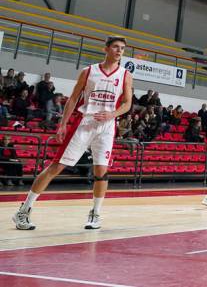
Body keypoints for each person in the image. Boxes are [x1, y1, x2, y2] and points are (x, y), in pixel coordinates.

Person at [12, 36, 133, 230]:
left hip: (107, 126)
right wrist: (63, 124)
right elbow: (73, 99)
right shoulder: (89, 71)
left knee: (101, 172)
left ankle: (95, 214)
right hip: (84, 122)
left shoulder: (125, 74)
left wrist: (112, 114)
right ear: (106, 49)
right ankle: (23, 211)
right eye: (116, 47)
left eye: (123, 49)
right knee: (56, 166)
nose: (120, 51)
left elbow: (127, 104)